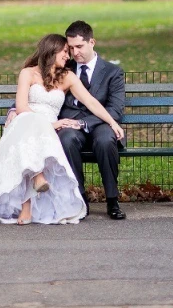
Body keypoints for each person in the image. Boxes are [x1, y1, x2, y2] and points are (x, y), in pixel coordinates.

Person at [0, 34, 124, 226]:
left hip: (47, 129)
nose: (69, 56)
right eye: (65, 51)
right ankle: (34, 185)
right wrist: (49, 124)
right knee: (26, 127)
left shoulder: (67, 76)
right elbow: (22, 107)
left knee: (29, 134)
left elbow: (91, 102)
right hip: (29, 122)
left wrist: (112, 122)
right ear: (52, 51)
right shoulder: (28, 73)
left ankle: (33, 192)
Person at [60, 20, 127, 220]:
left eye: (79, 46)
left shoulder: (112, 72)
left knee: (107, 140)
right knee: (66, 138)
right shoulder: (64, 68)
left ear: (92, 42)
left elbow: (115, 109)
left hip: (101, 125)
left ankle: (112, 200)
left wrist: (84, 123)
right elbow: (36, 90)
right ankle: (79, 199)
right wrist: (14, 109)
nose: (74, 52)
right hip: (70, 127)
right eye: (71, 48)